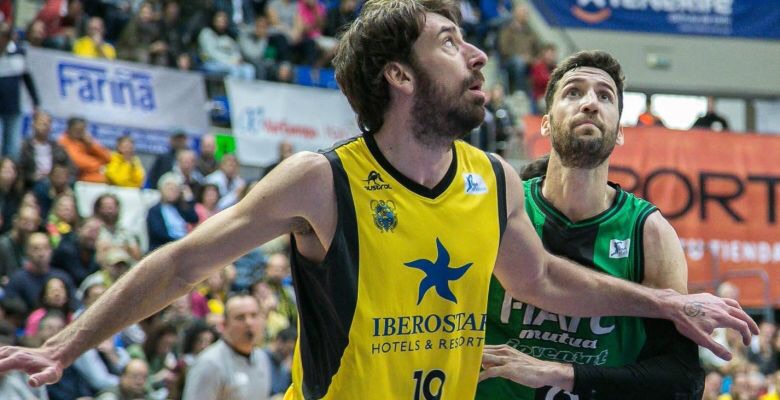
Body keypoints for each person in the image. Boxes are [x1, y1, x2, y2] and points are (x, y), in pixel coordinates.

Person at [0, 2, 758, 399]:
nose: (479, 55)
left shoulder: (493, 178)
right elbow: (182, 264)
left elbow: (544, 280)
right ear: (400, 75)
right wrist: (66, 346)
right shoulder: (320, 180)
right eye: (451, 42)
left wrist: (667, 304)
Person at [477, 51, 705, 399]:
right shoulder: (502, 206)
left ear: (620, 132)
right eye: (573, 92)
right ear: (545, 123)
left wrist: (560, 373)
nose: (589, 103)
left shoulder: (649, 233)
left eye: (605, 96)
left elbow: (683, 380)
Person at [182, 294, 272, 400]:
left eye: (254, 315)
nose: (249, 322)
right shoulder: (210, 363)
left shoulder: (262, 357)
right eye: (240, 317)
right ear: (224, 324)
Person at [0, 21, 41, 160]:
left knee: (12, 148)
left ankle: (11, 171)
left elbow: (27, 79)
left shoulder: (18, 53)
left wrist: (36, 102)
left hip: (13, 108)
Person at [19, 110, 72, 190]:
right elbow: (20, 170)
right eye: (42, 123)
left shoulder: (58, 147)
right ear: (33, 125)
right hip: (32, 183)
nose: (45, 126)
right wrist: (32, 177)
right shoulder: (25, 147)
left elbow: (71, 168)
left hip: (55, 183)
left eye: (48, 124)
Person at [58, 117, 112, 183]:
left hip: (98, 177)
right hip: (79, 180)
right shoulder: (63, 142)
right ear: (69, 129)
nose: (79, 132)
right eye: (76, 129)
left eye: (82, 130)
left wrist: (91, 144)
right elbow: (78, 162)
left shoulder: (86, 141)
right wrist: (99, 166)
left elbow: (107, 158)